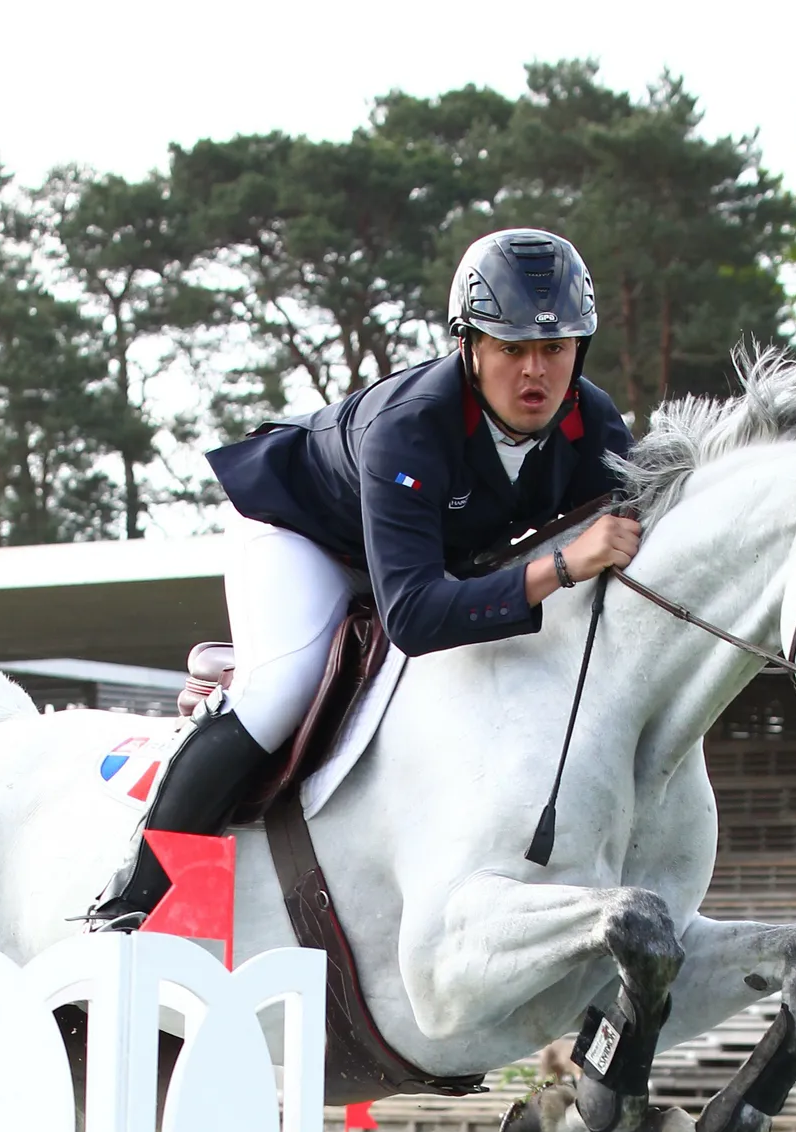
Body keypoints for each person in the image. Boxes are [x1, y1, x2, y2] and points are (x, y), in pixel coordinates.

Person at [89, 228, 641, 931]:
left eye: (553, 348)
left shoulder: (593, 424)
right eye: (510, 349)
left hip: (424, 557)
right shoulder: (410, 426)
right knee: (277, 693)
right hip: (306, 537)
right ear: (469, 346)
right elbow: (411, 616)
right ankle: (138, 896)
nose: (534, 372)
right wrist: (560, 567)